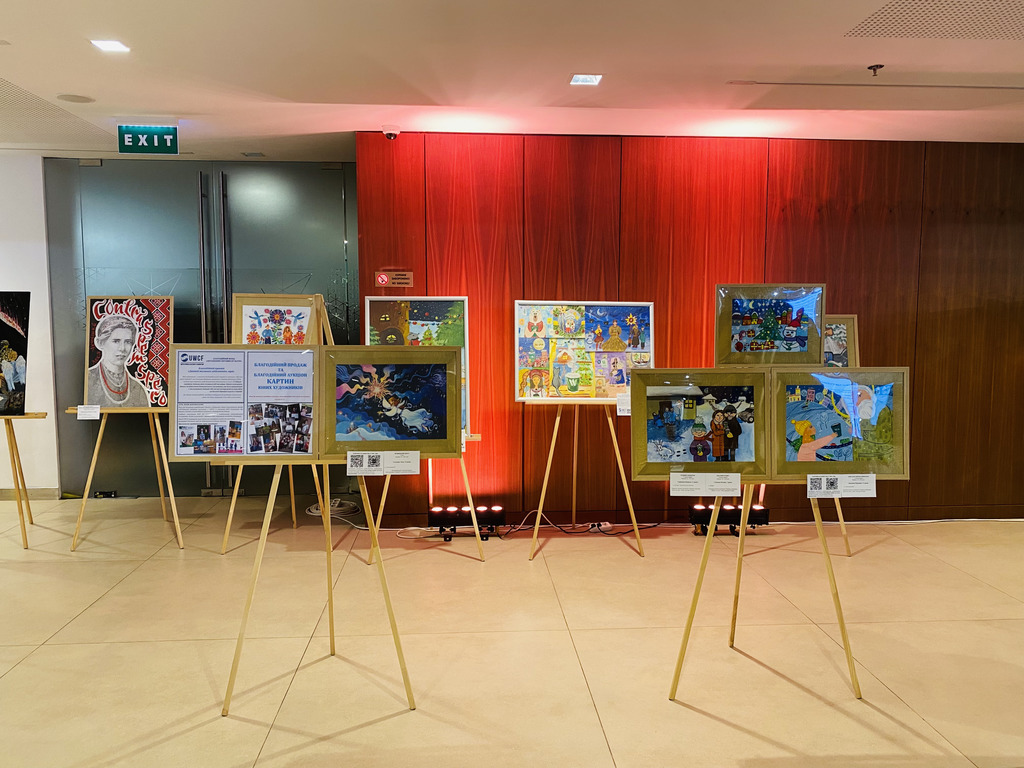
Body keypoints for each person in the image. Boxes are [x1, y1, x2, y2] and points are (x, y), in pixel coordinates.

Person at [86, 315, 150, 407]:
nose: (122, 348)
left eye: (128, 342)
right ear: (100, 343)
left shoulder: (137, 388)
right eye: (116, 341)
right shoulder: (88, 380)